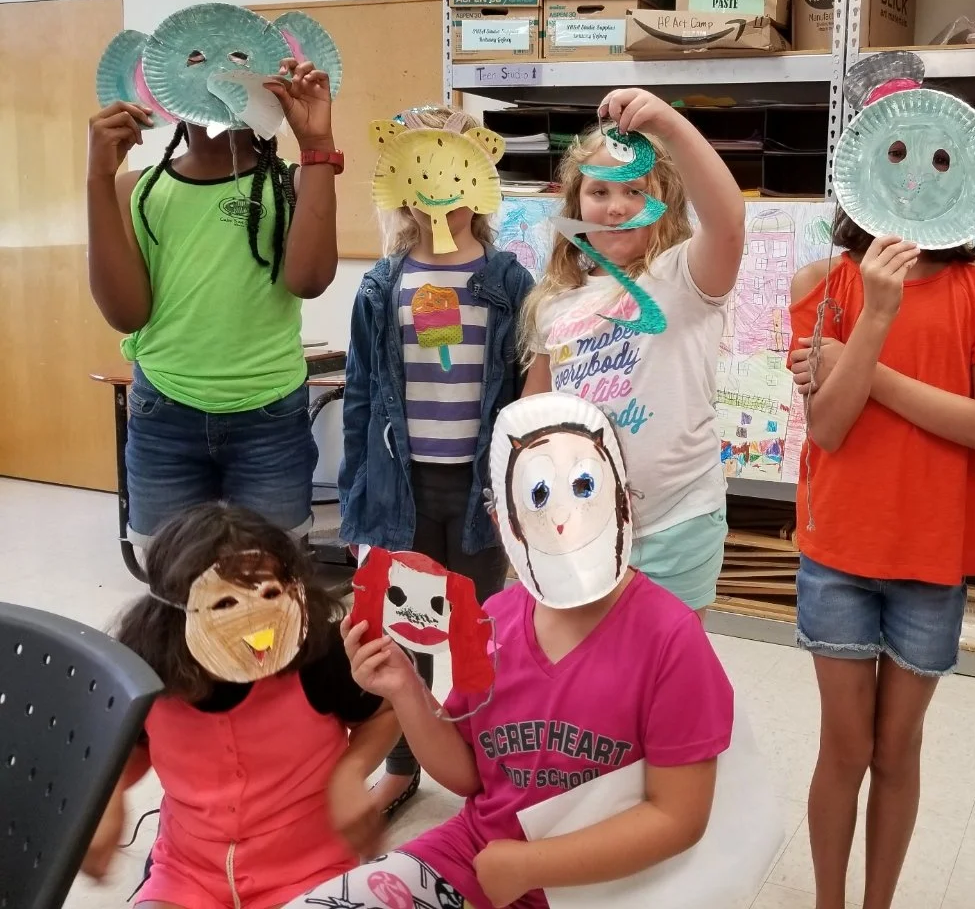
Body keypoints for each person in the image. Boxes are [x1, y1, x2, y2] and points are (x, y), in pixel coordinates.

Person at [294, 393, 736, 909]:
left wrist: (531, 866)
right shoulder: (496, 619)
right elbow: (468, 774)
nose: (564, 518)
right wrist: (404, 688)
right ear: (503, 518)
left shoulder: (670, 637)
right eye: (538, 494)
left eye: (585, 486)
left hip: (609, 889)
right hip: (479, 854)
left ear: (625, 497)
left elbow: (678, 817)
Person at [786, 210, 975, 909]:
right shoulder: (826, 284)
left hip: (931, 555)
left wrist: (864, 369)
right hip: (838, 551)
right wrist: (876, 313)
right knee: (844, 747)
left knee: (897, 750)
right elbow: (828, 427)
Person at [339, 104, 535, 817]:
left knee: (482, 632)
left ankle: (484, 761)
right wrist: (358, 501)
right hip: (402, 489)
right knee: (404, 630)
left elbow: (525, 392)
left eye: (449, 168)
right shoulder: (381, 284)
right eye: (419, 170)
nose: (434, 188)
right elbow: (361, 396)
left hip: (480, 493)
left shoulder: (508, 282)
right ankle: (402, 762)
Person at [82, 504, 398, 909]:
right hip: (186, 873)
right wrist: (109, 792)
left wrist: (350, 774)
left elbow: (384, 714)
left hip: (310, 871)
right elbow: (138, 744)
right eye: (226, 606)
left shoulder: (316, 653)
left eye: (268, 595)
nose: (255, 628)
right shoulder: (147, 666)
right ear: (173, 617)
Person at [85, 61, 339, 546]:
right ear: (166, 91)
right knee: (177, 585)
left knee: (271, 585)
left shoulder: (295, 182)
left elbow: (309, 280)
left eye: (236, 68)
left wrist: (318, 149)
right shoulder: (134, 189)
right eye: (197, 69)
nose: (217, 85)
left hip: (270, 415)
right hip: (165, 413)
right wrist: (97, 179)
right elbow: (126, 315)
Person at [520, 88, 745, 612]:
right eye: (599, 192)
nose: (616, 208)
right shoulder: (553, 303)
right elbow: (534, 414)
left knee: (671, 679)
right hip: (578, 523)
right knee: (591, 677)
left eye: (634, 193)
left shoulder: (685, 276)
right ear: (576, 204)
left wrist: (670, 125)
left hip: (677, 525)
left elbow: (729, 220)